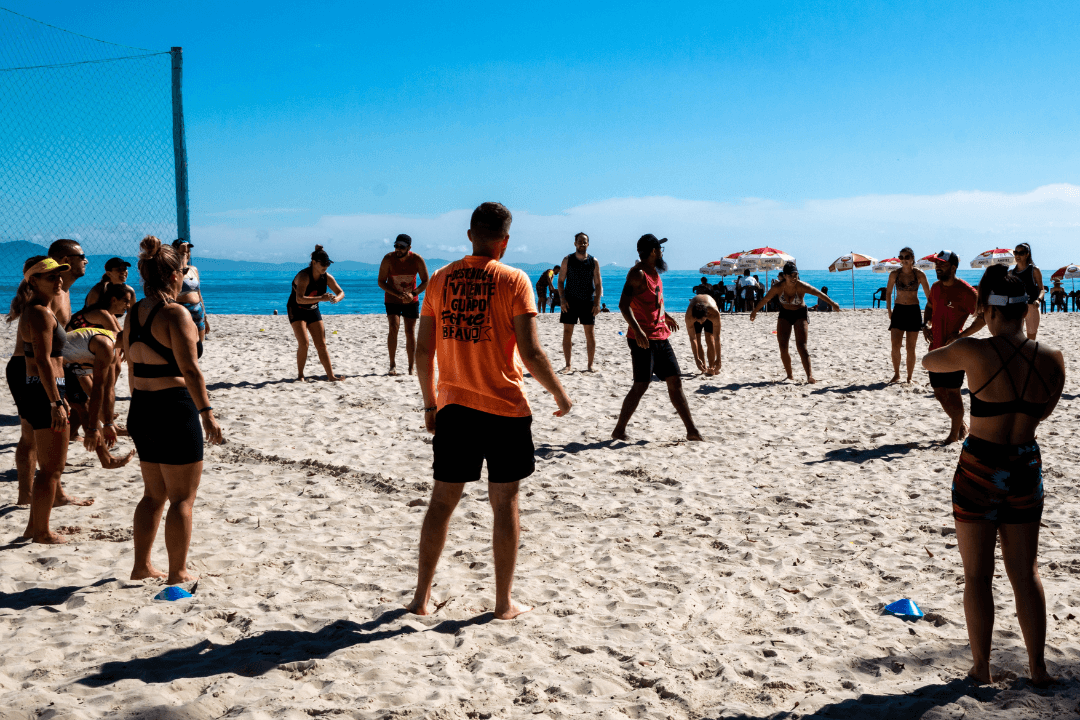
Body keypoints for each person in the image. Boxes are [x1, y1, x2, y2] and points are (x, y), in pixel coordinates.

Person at [408, 202, 571, 620]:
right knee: (506, 505)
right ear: (505, 240)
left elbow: (423, 351)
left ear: (469, 235)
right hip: (505, 409)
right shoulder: (514, 279)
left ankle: (421, 599)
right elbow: (532, 352)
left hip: (455, 406)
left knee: (442, 502)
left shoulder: (441, 280)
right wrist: (559, 394)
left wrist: (430, 402)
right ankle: (503, 604)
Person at [922, 265, 1065, 687]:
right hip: (1025, 464)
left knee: (978, 576)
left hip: (981, 467)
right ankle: (1038, 667)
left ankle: (981, 667)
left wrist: (970, 331)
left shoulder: (974, 351)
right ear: (1026, 309)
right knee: (1027, 572)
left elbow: (931, 359)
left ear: (987, 309)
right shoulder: (1052, 358)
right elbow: (1045, 410)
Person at [124, 235, 223, 585]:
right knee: (182, 498)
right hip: (172, 409)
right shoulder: (174, 313)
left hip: (142, 407)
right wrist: (207, 411)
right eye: (181, 271)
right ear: (173, 277)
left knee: (153, 495)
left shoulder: (133, 313)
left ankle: (141, 566)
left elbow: (132, 368)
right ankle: (177, 572)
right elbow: (191, 369)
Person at [5, 240, 90, 509]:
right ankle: (26, 496)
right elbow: (41, 354)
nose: (85, 261)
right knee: (31, 435)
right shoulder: (45, 300)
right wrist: (55, 396)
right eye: (81, 256)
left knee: (42, 435)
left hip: (45, 368)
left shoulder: (59, 291)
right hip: (28, 367)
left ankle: (55, 493)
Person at [611, 235, 702, 441]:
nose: (662, 252)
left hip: (661, 336)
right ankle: (619, 429)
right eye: (660, 249)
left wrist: (665, 315)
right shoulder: (637, 274)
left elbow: (654, 301)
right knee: (641, 385)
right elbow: (623, 306)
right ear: (653, 251)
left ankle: (692, 431)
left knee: (675, 381)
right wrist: (638, 331)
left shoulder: (654, 273)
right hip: (643, 339)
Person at [10, 257, 71, 543]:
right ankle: (42, 532)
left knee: (50, 467)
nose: (58, 280)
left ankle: (33, 528)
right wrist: (55, 401)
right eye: (51, 277)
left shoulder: (40, 310)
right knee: (51, 469)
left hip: (45, 389)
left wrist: (59, 395)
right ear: (33, 281)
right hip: (44, 390)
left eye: (59, 275)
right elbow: (43, 362)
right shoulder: (39, 313)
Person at [923, 250, 986, 443]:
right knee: (939, 393)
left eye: (941, 263)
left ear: (953, 267)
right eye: (936, 263)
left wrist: (962, 335)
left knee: (952, 392)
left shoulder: (966, 291)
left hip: (955, 352)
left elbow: (984, 317)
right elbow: (929, 307)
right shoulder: (935, 287)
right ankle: (961, 426)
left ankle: (953, 435)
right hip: (935, 349)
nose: (937, 267)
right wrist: (925, 324)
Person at [750, 262, 839, 383]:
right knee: (783, 347)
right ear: (785, 275)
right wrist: (755, 311)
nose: (794, 278)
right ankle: (789, 375)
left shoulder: (802, 286)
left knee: (801, 346)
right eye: (791, 275)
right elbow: (766, 298)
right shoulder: (778, 287)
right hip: (785, 314)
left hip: (800, 314)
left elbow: (819, 293)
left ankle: (809, 376)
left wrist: (833, 304)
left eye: (795, 275)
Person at [61, 326, 135, 469]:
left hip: (69, 367)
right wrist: (93, 429)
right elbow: (97, 387)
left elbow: (108, 389)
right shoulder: (106, 345)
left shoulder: (111, 345)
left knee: (85, 407)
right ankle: (106, 460)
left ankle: (105, 459)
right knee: (85, 408)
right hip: (54, 364)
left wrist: (108, 423)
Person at [287, 244, 345, 382]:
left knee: (321, 344)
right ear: (314, 263)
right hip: (297, 309)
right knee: (304, 343)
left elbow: (341, 292)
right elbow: (299, 299)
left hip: (313, 309)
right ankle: (300, 375)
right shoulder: (304, 276)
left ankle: (331, 376)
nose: (325, 266)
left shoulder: (327, 277)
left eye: (328, 263)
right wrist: (321, 298)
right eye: (323, 263)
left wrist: (336, 298)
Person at [377, 234, 429, 376]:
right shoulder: (388, 259)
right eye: (396, 246)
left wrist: (413, 294)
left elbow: (425, 281)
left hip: (411, 300)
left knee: (409, 331)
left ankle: (411, 367)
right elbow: (381, 281)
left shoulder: (417, 259)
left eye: (402, 247)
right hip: (392, 298)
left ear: (409, 248)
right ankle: (392, 364)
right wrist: (396, 294)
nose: (398, 249)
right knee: (393, 326)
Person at [885, 247, 932, 383]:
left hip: (913, 311)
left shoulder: (919, 275)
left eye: (906, 257)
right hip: (898, 310)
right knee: (895, 345)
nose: (903, 260)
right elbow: (888, 293)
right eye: (901, 257)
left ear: (912, 259)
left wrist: (931, 314)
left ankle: (909, 377)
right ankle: (897, 374)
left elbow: (929, 296)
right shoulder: (894, 274)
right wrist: (889, 310)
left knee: (910, 347)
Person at [558, 232, 603, 372]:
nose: (582, 244)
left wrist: (597, 303)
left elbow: (598, 283)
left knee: (590, 333)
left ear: (588, 244)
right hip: (570, 301)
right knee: (567, 332)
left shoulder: (593, 261)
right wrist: (563, 300)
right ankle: (568, 365)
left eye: (585, 242)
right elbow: (560, 281)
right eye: (579, 241)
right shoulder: (567, 259)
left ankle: (590, 366)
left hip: (588, 302)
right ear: (575, 243)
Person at [172, 240, 209, 341]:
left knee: (199, 346)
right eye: (183, 252)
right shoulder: (173, 270)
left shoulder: (194, 269)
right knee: (185, 342)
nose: (186, 254)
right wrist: (182, 262)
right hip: (183, 310)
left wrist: (205, 316)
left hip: (198, 309)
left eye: (188, 252)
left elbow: (199, 293)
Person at [1009, 243, 1043, 340]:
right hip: (1016, 307)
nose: (1017, 255)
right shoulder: (1011, 273)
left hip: (1031, 307)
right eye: (1016, 252)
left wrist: (1038, 300)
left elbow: (1042, 289)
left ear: (1027, 254)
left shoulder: (1034, 270)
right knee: (1016, 337)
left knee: (1031, 338)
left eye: (1021, 253)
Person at [684, 294, 722, 375]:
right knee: (697, 339)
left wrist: (718, 359)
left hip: (709, 310)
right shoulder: (689, 316)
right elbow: (692, 338)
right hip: (696, 312)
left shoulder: (714, 314)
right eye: (698, 321)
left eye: (702, 320)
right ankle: (703, 367)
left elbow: (717, 338)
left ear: (707, 315)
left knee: (710, 338)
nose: (700, 323)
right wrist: (696, 359)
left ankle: (712, 367)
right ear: (694, 318)